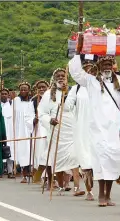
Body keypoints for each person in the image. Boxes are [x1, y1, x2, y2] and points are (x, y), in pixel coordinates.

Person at [69, 53, 120, 205]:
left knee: (114, 161)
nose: (107, 67)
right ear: (99, 67)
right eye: (104, 65)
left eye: (110, 65)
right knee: (101, 160)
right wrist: (78, 54)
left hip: (115, 129)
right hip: (97, 128)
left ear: (113, 66)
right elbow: (76, 72)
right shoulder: (91, 82)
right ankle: (100, 195)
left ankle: (108, 195)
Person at [38, 68, 84, 196]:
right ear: (54, 78)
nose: (60, 77)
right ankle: (61, 186)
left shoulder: (73, 91)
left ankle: (76, 187)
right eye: (57, 76)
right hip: (56, 128)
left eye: (63, 75)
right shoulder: (48, 94)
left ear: (66, 77)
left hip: (71, 128)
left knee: (74, 157)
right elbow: (41, 113)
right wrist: (49, 120)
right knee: (57, 159)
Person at [65, 54, 99, 200]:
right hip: (81, 128)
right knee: (85, 159)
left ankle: (103, 190)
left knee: (96, 158)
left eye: (92, 70)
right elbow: (67, 107)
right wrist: (65, 99)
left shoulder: (99, 85)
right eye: (86, 69)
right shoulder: (76, 89)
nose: (89, 71)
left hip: (97, 127)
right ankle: (89, 190)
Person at [13, 82, 35, 183]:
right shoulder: (15, 101)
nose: (23, 91)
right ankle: (24, 174)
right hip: (20, 130)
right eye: (21, 89)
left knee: (32, 150)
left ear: (29, 91)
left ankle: (34, 172)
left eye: (25, 89)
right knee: (23, 151)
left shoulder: (32, 101)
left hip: (31, 128)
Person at [31, 80, 52, 186]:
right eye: (39, 88)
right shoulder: (33, 100)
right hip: (39, 130)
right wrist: (33, 120)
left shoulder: (53, 97)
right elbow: (29, 116)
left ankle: (53, 180)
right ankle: (43, 178)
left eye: (44, 87)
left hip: (51, 127)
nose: (41, 89)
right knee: (42, 153)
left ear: (48, 87)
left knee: (51, 153)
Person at [0, 88, 15, 178]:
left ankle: (10, 171)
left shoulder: (12, 105)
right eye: (2, 94)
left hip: (10, 131)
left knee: (9, 151)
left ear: (8, 95)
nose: (4, 95)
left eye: (6, 94)